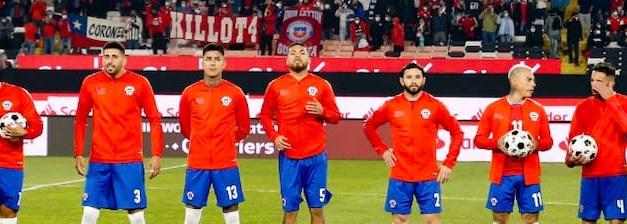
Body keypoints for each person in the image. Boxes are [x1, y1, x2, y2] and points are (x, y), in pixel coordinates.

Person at [74, 41, 164, 224]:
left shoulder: (140, 83)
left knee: (136, 213)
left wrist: (156, 154)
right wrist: (78, 153)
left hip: (129, 159)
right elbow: (81, 119)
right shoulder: (90, 83)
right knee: (90, 211)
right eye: (106, 56)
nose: (109, 61)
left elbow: (155, 119)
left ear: (124, 60)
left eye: (114, 57)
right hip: (100, 159)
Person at [362, 62, 464, 224]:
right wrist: (382, 149)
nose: (413, 81)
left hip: (428, 175)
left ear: (424, 80)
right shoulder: (391, 106)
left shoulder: (435, 105)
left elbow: (457, 132)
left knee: (432, 220)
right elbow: (368, 126)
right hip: (400, 175)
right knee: (400, 220)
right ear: (402, 81)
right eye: (409, 77)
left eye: (417, 77)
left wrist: (449, 163)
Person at [260, 43, 342, 224]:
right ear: (287, 60)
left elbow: (336, 116)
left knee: (317, 210)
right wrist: (275, 137)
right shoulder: (276, 85)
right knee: (290, 211)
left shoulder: (321, 85)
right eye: (293, 53)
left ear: (309, 59)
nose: (297, 56)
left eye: (302, 52)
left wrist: (323, 111)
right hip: (289, 157)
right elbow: (265, 116)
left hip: (316, 158)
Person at [179, 43, 251, 224]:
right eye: (208, 59)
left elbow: (244, 127)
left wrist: (225, 142)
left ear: (224, 64)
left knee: (231, 207)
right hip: (197, 163)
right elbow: (185, 127)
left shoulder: (235, 93)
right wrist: (200, 141)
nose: (212, 63)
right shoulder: (190, 93)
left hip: (226, 163)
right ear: (202, 63)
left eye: (217, 59)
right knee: (193, 208)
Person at [475, 63, 553, 224]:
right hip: (502, 176)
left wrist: (535, 145)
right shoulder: (493, 108)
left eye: (534, 80)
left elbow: (548, 141)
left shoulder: (538, 110)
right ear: (514, 81)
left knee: (531, 218)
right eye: (529, 80)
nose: (534, 84)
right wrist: (497, 143)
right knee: (500, 218)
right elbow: (479, 139)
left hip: (529, 176)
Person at [566, 62, 627, 224]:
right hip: (589, 176)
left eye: (599, 81)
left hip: (615, 175)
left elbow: (626, 127)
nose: (594, 84)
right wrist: (571, 160)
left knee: (616, 221)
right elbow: (572, 144)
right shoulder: (582, 107)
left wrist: (610, 99)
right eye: (592, 80)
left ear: (610, 83)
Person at [0, 67, 43, 224]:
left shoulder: (18, 95)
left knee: (8, 211)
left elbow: (37, 126)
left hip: (9, 165)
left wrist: (23, 132)